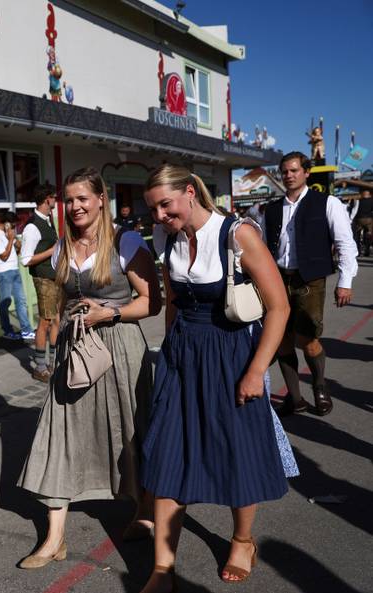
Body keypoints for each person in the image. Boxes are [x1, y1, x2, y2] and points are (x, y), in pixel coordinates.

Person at [140, 164, 292, 591]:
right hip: (182, 354)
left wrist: (257, 372)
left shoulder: (237, 233)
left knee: (235, 447)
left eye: (165, 206)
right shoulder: (164, 237)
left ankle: (243, 540)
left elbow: (279, 307)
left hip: (231, 355)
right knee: (167, 450)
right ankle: (163, 568)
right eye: (153, 209)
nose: (159, 217)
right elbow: (172, 300)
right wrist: (169, 350)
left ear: (190, 192)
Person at [17, 167, 162, 569]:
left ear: (101, 199)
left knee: (129, 430)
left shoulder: (126, 241)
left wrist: (110, 313)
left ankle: (144, 509)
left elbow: (152, 301)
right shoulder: (63, 245)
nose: (76, 206)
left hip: (119, 348)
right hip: (75, 348)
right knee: (59, 432)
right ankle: (54, 538)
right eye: (70, 199)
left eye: (84, 198)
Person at [264, 152, 357, 417]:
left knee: (307, 339)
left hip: (310, 279)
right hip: (278, 278)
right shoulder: (271, 209)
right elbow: (261, 245)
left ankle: (319, 386)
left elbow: (345, 243)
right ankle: (295, 398)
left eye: (294, 171)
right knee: (280, 338)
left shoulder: (327, 203)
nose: (289, 175)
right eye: (285, 171)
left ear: (306, 173)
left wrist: (345, 281)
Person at [20, 184, 61, 381]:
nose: (56, 200)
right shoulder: (32, 226)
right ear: (47, 199)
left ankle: (53, 362)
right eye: (54, 197)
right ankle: (40, 367)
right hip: (43, 278)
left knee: (56, 321)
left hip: (54, 277)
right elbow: (26, 260)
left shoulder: (47, 220)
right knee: (45, 322)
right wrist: (51, 251)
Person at [0, 211, 35, 340]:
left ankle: (26, 330)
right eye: (13, 226)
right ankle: (7, 330)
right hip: (3, 273)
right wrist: (10, 240)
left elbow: (18, 251)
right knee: (5, 303)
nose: (14, 228)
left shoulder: (9, 233)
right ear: (7, 224)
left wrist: (17, 242)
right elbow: (3, 256)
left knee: (21, 301)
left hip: (15, 270)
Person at [350, 188, 373, 257]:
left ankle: (358, 251)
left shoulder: (358, 201)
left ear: (363, 194)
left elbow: (353, 209)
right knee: (368, 235)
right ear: (369, 194)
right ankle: (367, 250)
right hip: (369, 220)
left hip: (359, 220)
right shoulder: (372, 201)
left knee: (357, 236)